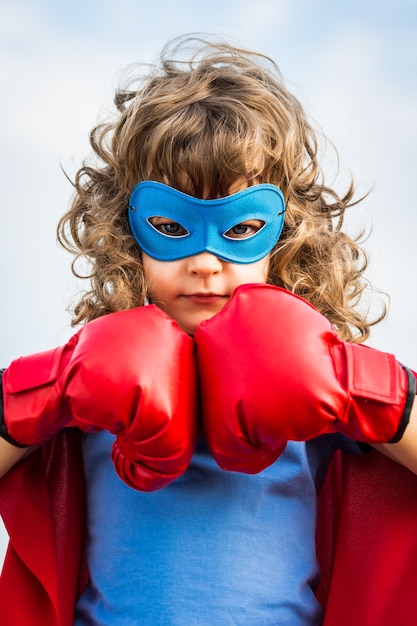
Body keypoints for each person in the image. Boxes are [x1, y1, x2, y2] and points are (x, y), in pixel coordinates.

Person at [0, 36, 416, 626]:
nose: (204, 261)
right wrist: (48, 390)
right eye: (170, 224)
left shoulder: (322, 394)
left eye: (240, 226)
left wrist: (362, 387)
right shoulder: (87, 391)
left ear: (287, 233)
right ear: (126, 230)